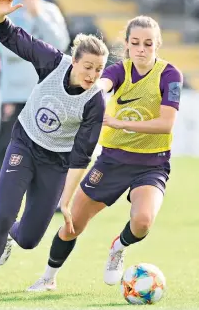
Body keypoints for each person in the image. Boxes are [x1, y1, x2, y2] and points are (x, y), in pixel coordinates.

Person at [0, 0, 108, 297]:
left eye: (99, 69)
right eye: (88, 67)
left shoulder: (95, 102)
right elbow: (15, 38)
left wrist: (66, 201)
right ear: (74, 61)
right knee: (4, 214)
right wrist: (0, 17)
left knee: (28, 239)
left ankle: (9, 237)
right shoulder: (53, 62)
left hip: (56, 163)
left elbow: (81, 156)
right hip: (24, 145)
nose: (93, 75)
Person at [26, 15, 183, 292]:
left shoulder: (170, 75)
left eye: (148, 43)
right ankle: (48, 277)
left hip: (152, 164)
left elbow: (166, 123)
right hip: (111, 161)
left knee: (143, 221)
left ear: (157, 45)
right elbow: (102, 85)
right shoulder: (119, 71)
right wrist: (92, 89)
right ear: (126, 45)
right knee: (72, 224)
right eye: (135, 43)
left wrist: (120, 122)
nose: (141, 49)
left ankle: (118, 247)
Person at [0, 0, 70, 180]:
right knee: (6, 146)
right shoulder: (7, 8)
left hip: (45, 91)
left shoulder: (50, 10)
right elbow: (6, 49)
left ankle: (51, 197)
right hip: (15, 93)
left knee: (49, 146)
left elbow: (60, 44)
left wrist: (38, 15)